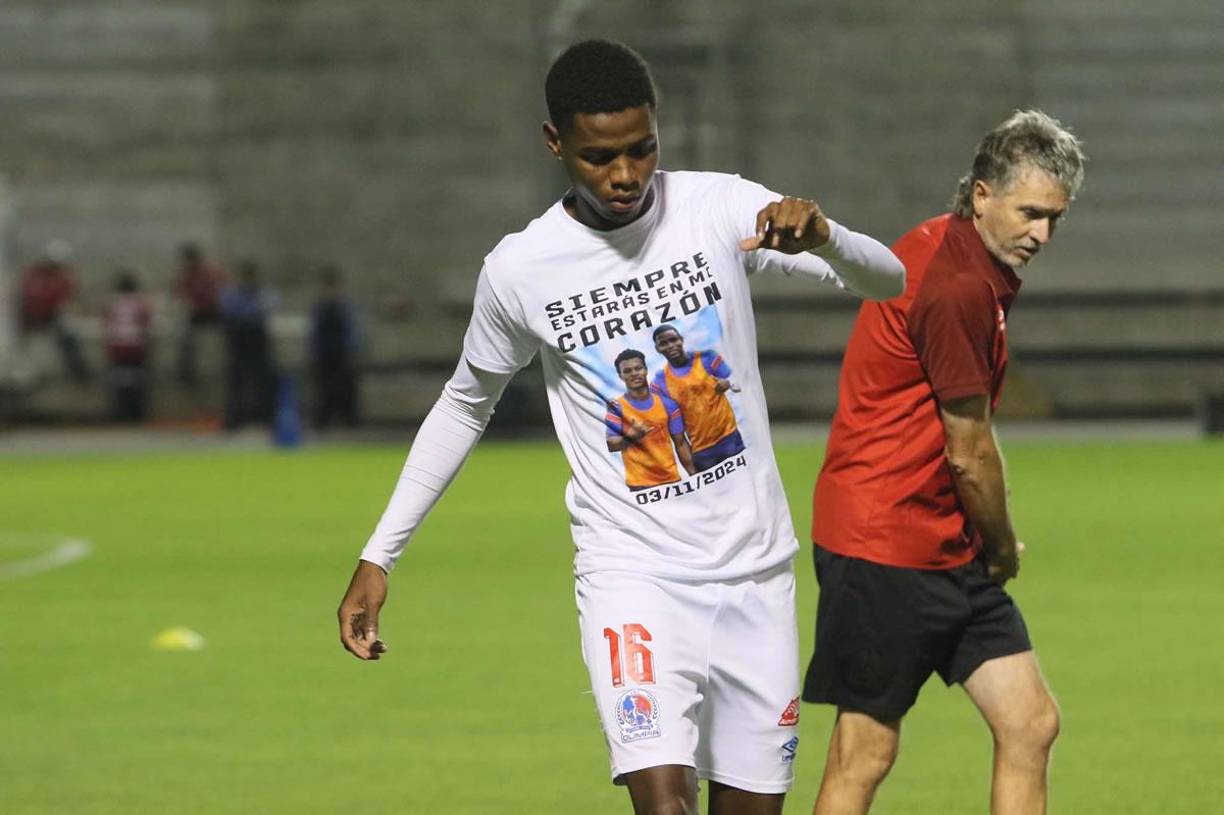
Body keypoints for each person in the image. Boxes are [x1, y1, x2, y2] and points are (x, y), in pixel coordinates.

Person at [337, 39, 904, 815]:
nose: (626, 175)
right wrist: (380, 553)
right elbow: (466, 403)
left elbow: (889, 280)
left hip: (754, 575)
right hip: (632, 578)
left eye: (642, 149)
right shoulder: (522, 268)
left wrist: (828, 236)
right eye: (600, 157)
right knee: (664, 807)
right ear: (555, 144)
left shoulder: (718, 209)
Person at [803, 110, 1085, 815]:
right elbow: (969, 449)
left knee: (1030, 721)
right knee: (864, 752)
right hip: (885, 541)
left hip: (939, 538)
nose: (1042, 235)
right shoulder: (957, 286)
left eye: (1054, 218)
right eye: (1030, 213)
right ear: (982, 194)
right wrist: (999, 545)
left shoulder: (952, 250)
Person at [650, 324, 743, 472]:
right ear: (657, 349)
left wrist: (729, 383)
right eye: (663, 343)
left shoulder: (707, 358)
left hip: (729, 437)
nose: (670, 346)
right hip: (702, 451)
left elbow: (740, 382)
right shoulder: (660, 383)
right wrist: (692, 472)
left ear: (681, 340)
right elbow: (677, 434)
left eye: (673, 340)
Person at [606, 348, 694, 490]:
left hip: (672, 481)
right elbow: (611, 444)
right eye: (627, 371)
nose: (634, 373)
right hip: (639, 485)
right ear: (620, 376)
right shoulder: (617, 407)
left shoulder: (668, 404)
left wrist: (695, 476)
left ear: (645, 370)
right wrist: (632, 437)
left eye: (638, 368)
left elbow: (681, 443)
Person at [18, 239, 90, 381]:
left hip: (49, 317)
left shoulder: (61, 277)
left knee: (69, 335)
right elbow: (27, 298)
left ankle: (78, 372)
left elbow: (72, 295)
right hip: (33, 318)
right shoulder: (35, 275)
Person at [220, 260, 276, 429]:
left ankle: (266, 417)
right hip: (239, 340)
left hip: (257, 340)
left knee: (263, 381)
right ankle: (234, 419)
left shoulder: (264, 294)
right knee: (236, 382)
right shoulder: (232, 294)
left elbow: (266, 308)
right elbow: (230, 310)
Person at [308, 266, 361, 429]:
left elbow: (351, 331)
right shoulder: (320, 308)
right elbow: (314, 333)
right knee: (324, 388)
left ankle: (346, 419)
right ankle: (325, 420)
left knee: (344, 388)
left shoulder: (343, 307)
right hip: (325, 354)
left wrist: (351, 350)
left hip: (340, 353)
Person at [101, 269, 155, 422]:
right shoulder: (141, 304)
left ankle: (119, 414)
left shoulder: (112, 304)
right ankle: (139, 414)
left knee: (118, 382)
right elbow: (147, 326)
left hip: (117, 349)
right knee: (140, 382)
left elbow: (107, 327)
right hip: (137, 348)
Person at [174, 242, 228, 386]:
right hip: (198, 313)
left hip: (216, 311)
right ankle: (187, 374)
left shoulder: (211, 272)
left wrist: (218, 301)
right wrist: (189, 303)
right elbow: (181, 294)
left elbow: (225, 288)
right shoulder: (187, 275)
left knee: (232, 332)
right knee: (186, 337)